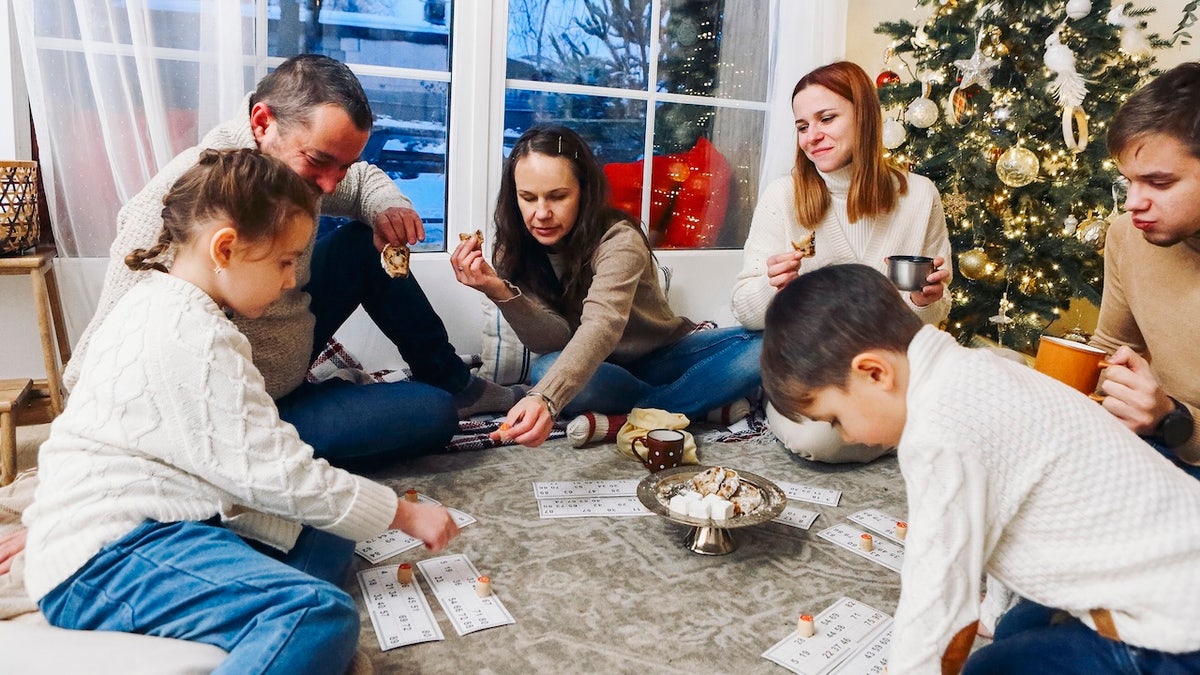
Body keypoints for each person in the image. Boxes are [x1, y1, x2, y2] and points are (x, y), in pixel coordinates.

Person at [23, 149, 460, 674]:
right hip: (108, 560)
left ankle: (265, 633)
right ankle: (280, 632)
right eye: (284, 262)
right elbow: (276, 473)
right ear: (225, 248)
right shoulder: (195, 335)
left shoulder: (161, 302)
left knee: (327, 531)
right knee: (319, 615)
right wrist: (403, 513)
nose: (290, 281)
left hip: (169, 521)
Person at [65, 54, 524, 467]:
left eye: (340, 167)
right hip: (250, 409)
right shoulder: (187, 202)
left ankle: (454, 381)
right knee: (430, 413)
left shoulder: (297, 168)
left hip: (289, 347)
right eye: (320, 162)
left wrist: (388, 204)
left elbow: (361, 180)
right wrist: (76, 478)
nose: (330, 184)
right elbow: (97, 360)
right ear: (262, 122)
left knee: (364, 242)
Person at [760, 263, 1200, 674]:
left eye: (837, 419)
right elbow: (1004, 518)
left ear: (875, 373)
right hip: (1175, 559)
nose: (848, 437)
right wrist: (992, 612)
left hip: (1173, 629)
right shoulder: (977, 369)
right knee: (1011, 629)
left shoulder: (938, 431)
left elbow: (936, 602)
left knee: (987, 667)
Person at [450, 125, 762, 447]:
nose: (541, 213)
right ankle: (692, 405)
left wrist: (545, 399)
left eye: (558, 196)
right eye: (528, 198)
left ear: (584, 192)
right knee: (546, 370)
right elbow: (553, 339)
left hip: (663, 355)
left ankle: (628, 419)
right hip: (599, 370)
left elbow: (603, 324)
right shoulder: (512, 248)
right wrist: (501, 293)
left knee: (768, 346)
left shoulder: (619, 238)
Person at [731, 60, 952, 464]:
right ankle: (902, 429)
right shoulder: (784, 197)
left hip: (892, 369)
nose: (812, 137)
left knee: (998, 375)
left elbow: (931, 318)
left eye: (826, 119)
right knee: (823, 441)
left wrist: (926, 301)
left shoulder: (920, 196)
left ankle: (891, 425)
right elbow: (745, 311)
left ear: (864, 116)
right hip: (819, 369)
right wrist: (772, 287)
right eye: (802, 126)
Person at [1091, 61, 1199, 478]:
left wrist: (1173, 420)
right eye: (1128, 181)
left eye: (1159, 183)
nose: (1134, 202)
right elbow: (1114, 348)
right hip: (1156, 443)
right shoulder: (1126, 236)